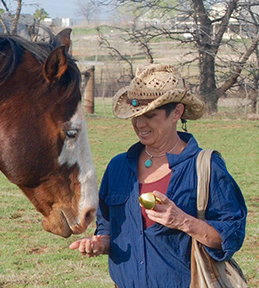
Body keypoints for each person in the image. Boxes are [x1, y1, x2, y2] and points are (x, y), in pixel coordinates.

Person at [69, 64, 247, 288]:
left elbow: (229, 237)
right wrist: (98, 244)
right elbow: (107, 229)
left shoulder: (207, 167)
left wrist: (182, 221)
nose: (140, 124)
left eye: (150, 116)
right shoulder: (118, 167)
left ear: (177, 113)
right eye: (136, 116)